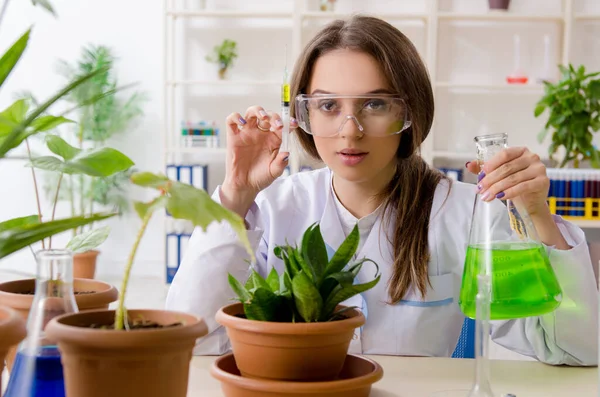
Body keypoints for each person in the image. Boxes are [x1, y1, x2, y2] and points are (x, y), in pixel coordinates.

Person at [165, 15, 598, 365]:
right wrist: (236, 195)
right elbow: (193, 343)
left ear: (411, 112)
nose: (349, 132)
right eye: (328, 105)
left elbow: (574, 349)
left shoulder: (464, 212)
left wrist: (538, 216)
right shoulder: (274, 207)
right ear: (303, 115)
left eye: (375, 104)